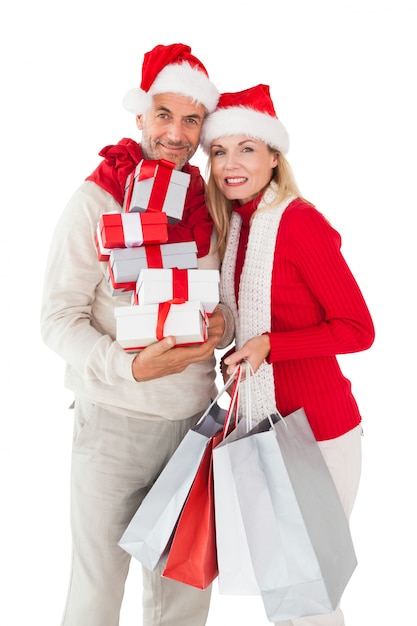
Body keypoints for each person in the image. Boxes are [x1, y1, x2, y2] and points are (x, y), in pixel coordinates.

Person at [40, 43, 234, 626]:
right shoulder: (94, 199)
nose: (175, 133)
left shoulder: (211, 208)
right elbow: (57, 317)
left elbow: (217, 305)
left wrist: (222, 322)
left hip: (192, 427)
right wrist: (128, 367)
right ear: (141, 117)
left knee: (182, 595)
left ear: (203, 128)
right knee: (97, 593)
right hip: (112, 426)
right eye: (164, 116)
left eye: (191, 119)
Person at [200, 83, 375, 625]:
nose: (232, 164)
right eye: (221, 151)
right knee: (286, 594)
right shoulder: (239, 226)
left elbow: (358, 329)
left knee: (309, 594)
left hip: (318, 435)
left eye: (247, 149)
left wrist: (272, 345)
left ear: (274, 157)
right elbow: (242, 318)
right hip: (263, 427)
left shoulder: (297, 223)